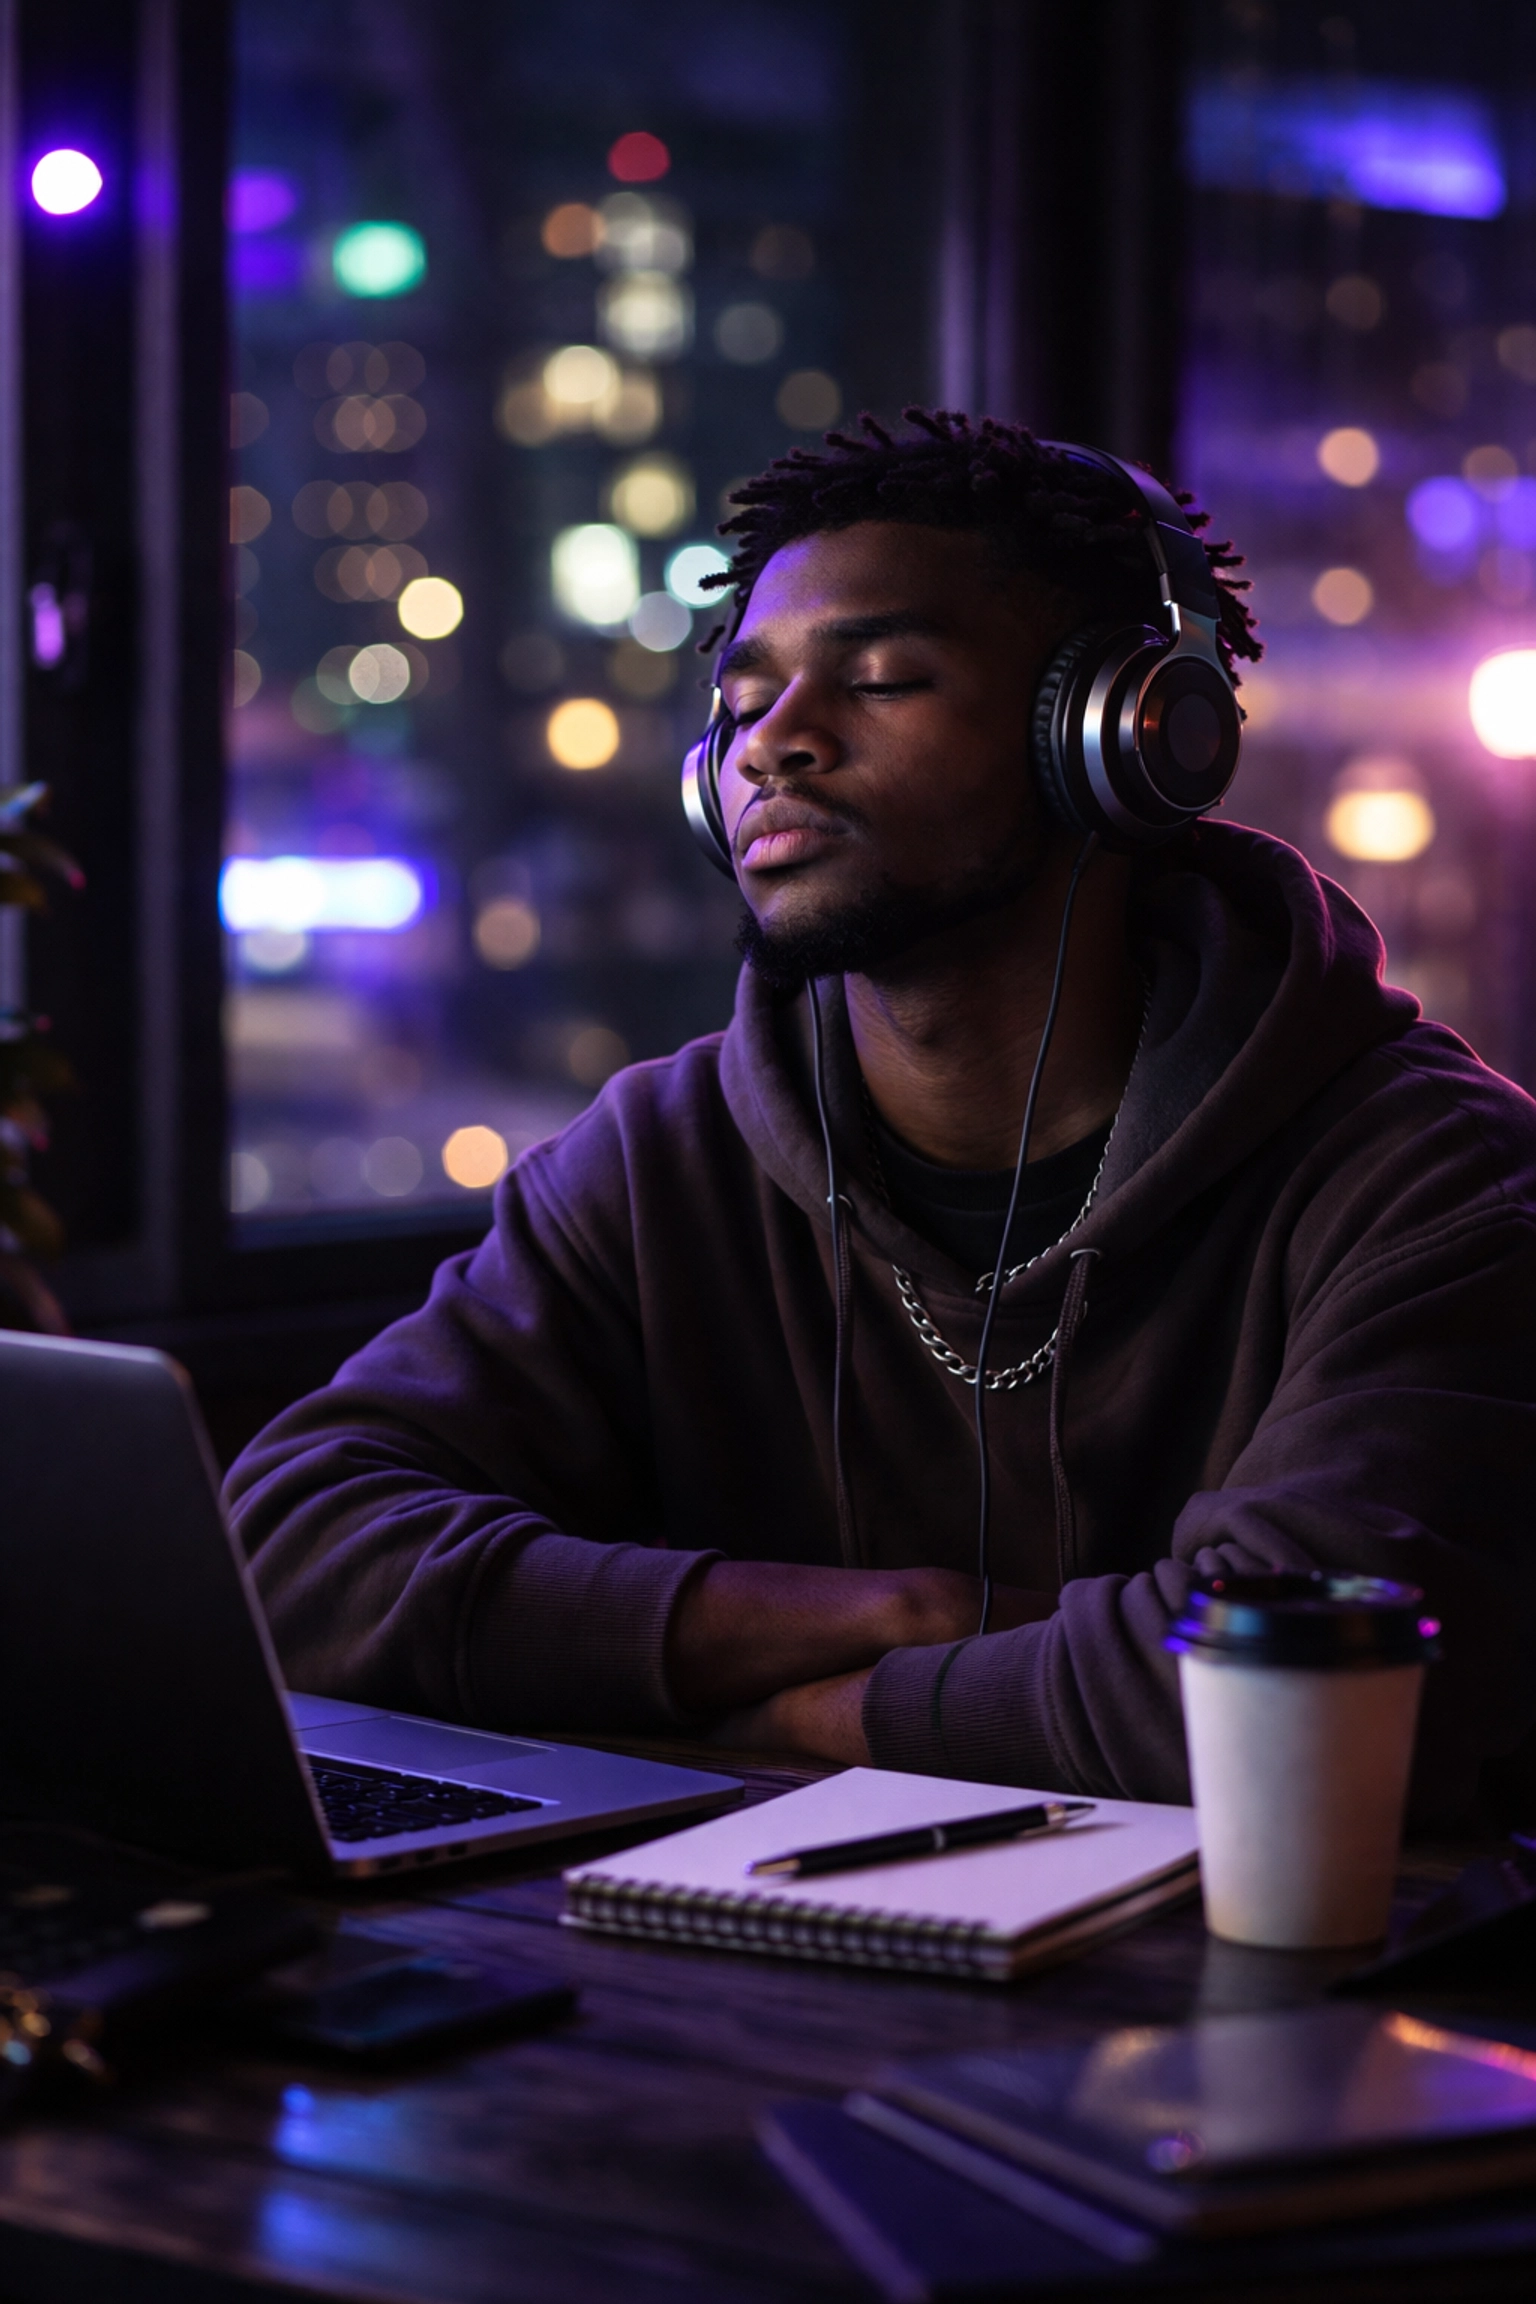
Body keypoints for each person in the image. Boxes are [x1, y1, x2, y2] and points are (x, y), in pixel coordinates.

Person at [227, 411, 1536, 1829]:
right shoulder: (658, 1160)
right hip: (765, 2002)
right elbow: (290, 1547)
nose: (772, 749)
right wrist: (872, 1612)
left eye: (884, 680)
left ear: (1119, 736)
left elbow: (1294, 1690)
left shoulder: (1438, 1187)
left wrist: (808, 1718)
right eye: (740, 706)